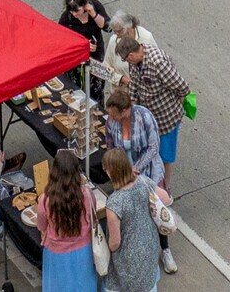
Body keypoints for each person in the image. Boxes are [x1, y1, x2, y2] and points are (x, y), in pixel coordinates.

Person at [116, 34, 189, 199]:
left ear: (132, 55)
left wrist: (172, 103)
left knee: (164, 156)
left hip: (166, 120)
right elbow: (134, 87)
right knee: (149, 152)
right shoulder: (135, 64)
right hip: (149, 119)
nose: (128, 62)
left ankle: (164, 190)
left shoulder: (157, 63)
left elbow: (182, 86)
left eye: (127, 59)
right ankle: (150, 184)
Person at [35, 149, 108, 292]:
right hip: (83, 252)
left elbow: (41, 225)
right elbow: (92, 218)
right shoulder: (87, 194)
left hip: (56, 254)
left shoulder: (46, 200)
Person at [102, 147, 164, 292]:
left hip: (128, 259)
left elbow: (115, 243)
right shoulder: (143, 182)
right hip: (150, 246)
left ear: (111, 172)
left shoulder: (114, 202)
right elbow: (165, 198)